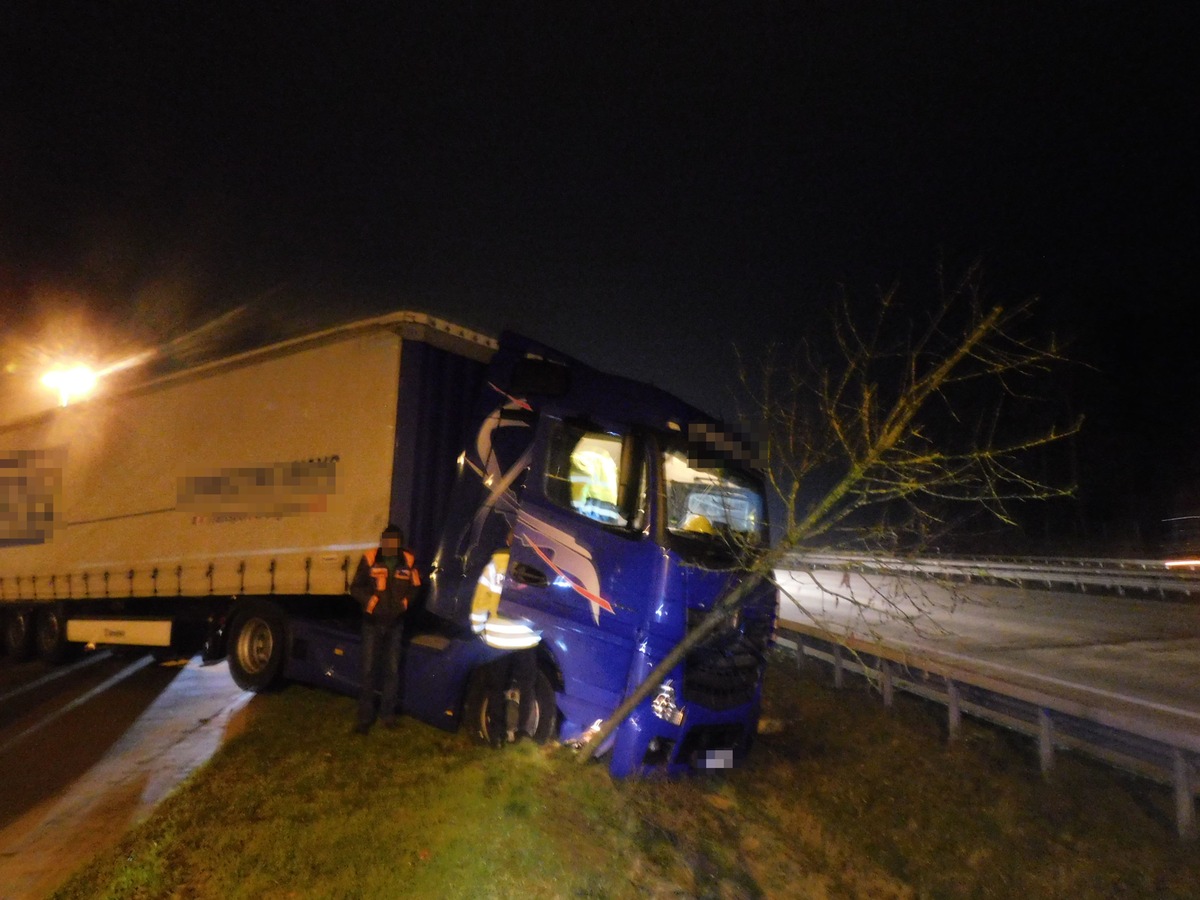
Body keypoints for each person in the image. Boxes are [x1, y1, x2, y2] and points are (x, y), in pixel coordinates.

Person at [469, 531, 541, 745]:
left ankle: (498, 735)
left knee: (497, 688)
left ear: (508, 540)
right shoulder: (535, 566)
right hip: (526, 638)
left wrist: (477, 627)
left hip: (498, 639)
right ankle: (523, 735)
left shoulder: (495, 565)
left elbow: (481, 598)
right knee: (527, 687)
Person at [351, 523, 420, 734]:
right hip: (372, 624)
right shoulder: (370, 557)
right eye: (386, 541)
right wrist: (372, 605)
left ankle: (388, 717)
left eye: (394, 541)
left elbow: (416, 586)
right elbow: (356, 587)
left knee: (392, 671)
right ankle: (364, 719)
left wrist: (404, 604)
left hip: (395, 624)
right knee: (368, 671)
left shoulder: (408, 560)